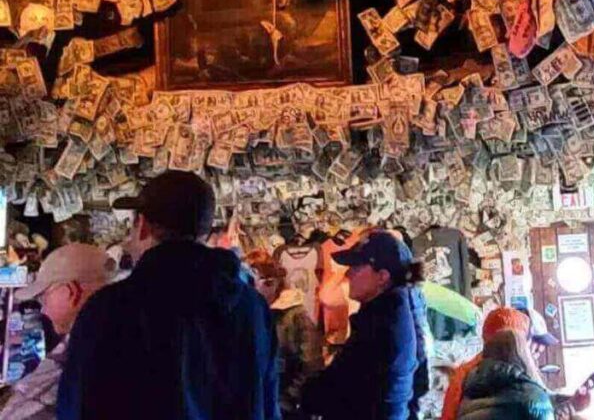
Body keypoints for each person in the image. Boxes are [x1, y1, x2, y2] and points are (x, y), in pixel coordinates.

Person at [56, 172, 279, 420]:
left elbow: (77, 407)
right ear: (204, 231)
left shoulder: (110, 308)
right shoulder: (253, 308)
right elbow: (268, 405)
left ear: (142, 227)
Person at [301, 231, 428, 420]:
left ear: (382, 277)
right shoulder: (396, 309)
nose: (348, 273)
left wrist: (305, 393)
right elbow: (419, 383)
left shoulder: (381, 323)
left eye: (357, 266)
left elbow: (343, 386)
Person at [0, 245, 115, 420]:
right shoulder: (132, 339)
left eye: (43, 296)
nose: (43, 310)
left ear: (70, 292)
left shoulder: (74, 357)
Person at [250, 255, 325, 419]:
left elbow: (311, 365)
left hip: (286, 408)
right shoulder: (251, 313)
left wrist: (287, 399)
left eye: (254, 281)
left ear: (272, 283)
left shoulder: (295, 316)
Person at [457, 329, 554, 420]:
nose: (536, 357)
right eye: (536, 351)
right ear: (524, 356)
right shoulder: (533, 396)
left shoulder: (469, 389)